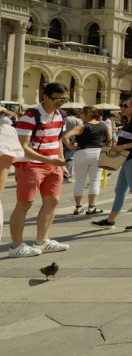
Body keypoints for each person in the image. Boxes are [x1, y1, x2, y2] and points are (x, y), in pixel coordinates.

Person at [8, 83, 71, 257]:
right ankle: (16, 246)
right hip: (31, 165)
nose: (61, 103)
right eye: (58, 99)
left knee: (52, 201)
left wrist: (60, 163)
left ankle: (42, 241)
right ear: (45, 97)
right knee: (24, 204)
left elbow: (57, 139)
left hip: (53, 165)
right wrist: (47, 160)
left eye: (65, 99)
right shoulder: (30, 116)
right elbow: (23, 147)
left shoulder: (61, 115)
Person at [91, 98, 132, 231]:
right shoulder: (128, 122)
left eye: (125, 105)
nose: (122, 108)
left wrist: (123, 146)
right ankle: (110, 220)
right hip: (128, 160)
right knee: (119, 191)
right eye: (121, 105)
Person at [62, 106, 110, 215]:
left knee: (79, 181)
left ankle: (78, 207)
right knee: (95, 181)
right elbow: (110, 140)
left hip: (82, 153)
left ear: (87, 114)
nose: (80, 114)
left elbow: (65, 137)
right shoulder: (104, 125)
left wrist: (70, 146)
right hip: (98, 153)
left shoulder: (82, 126)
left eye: (82, 112)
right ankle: (91, 207)